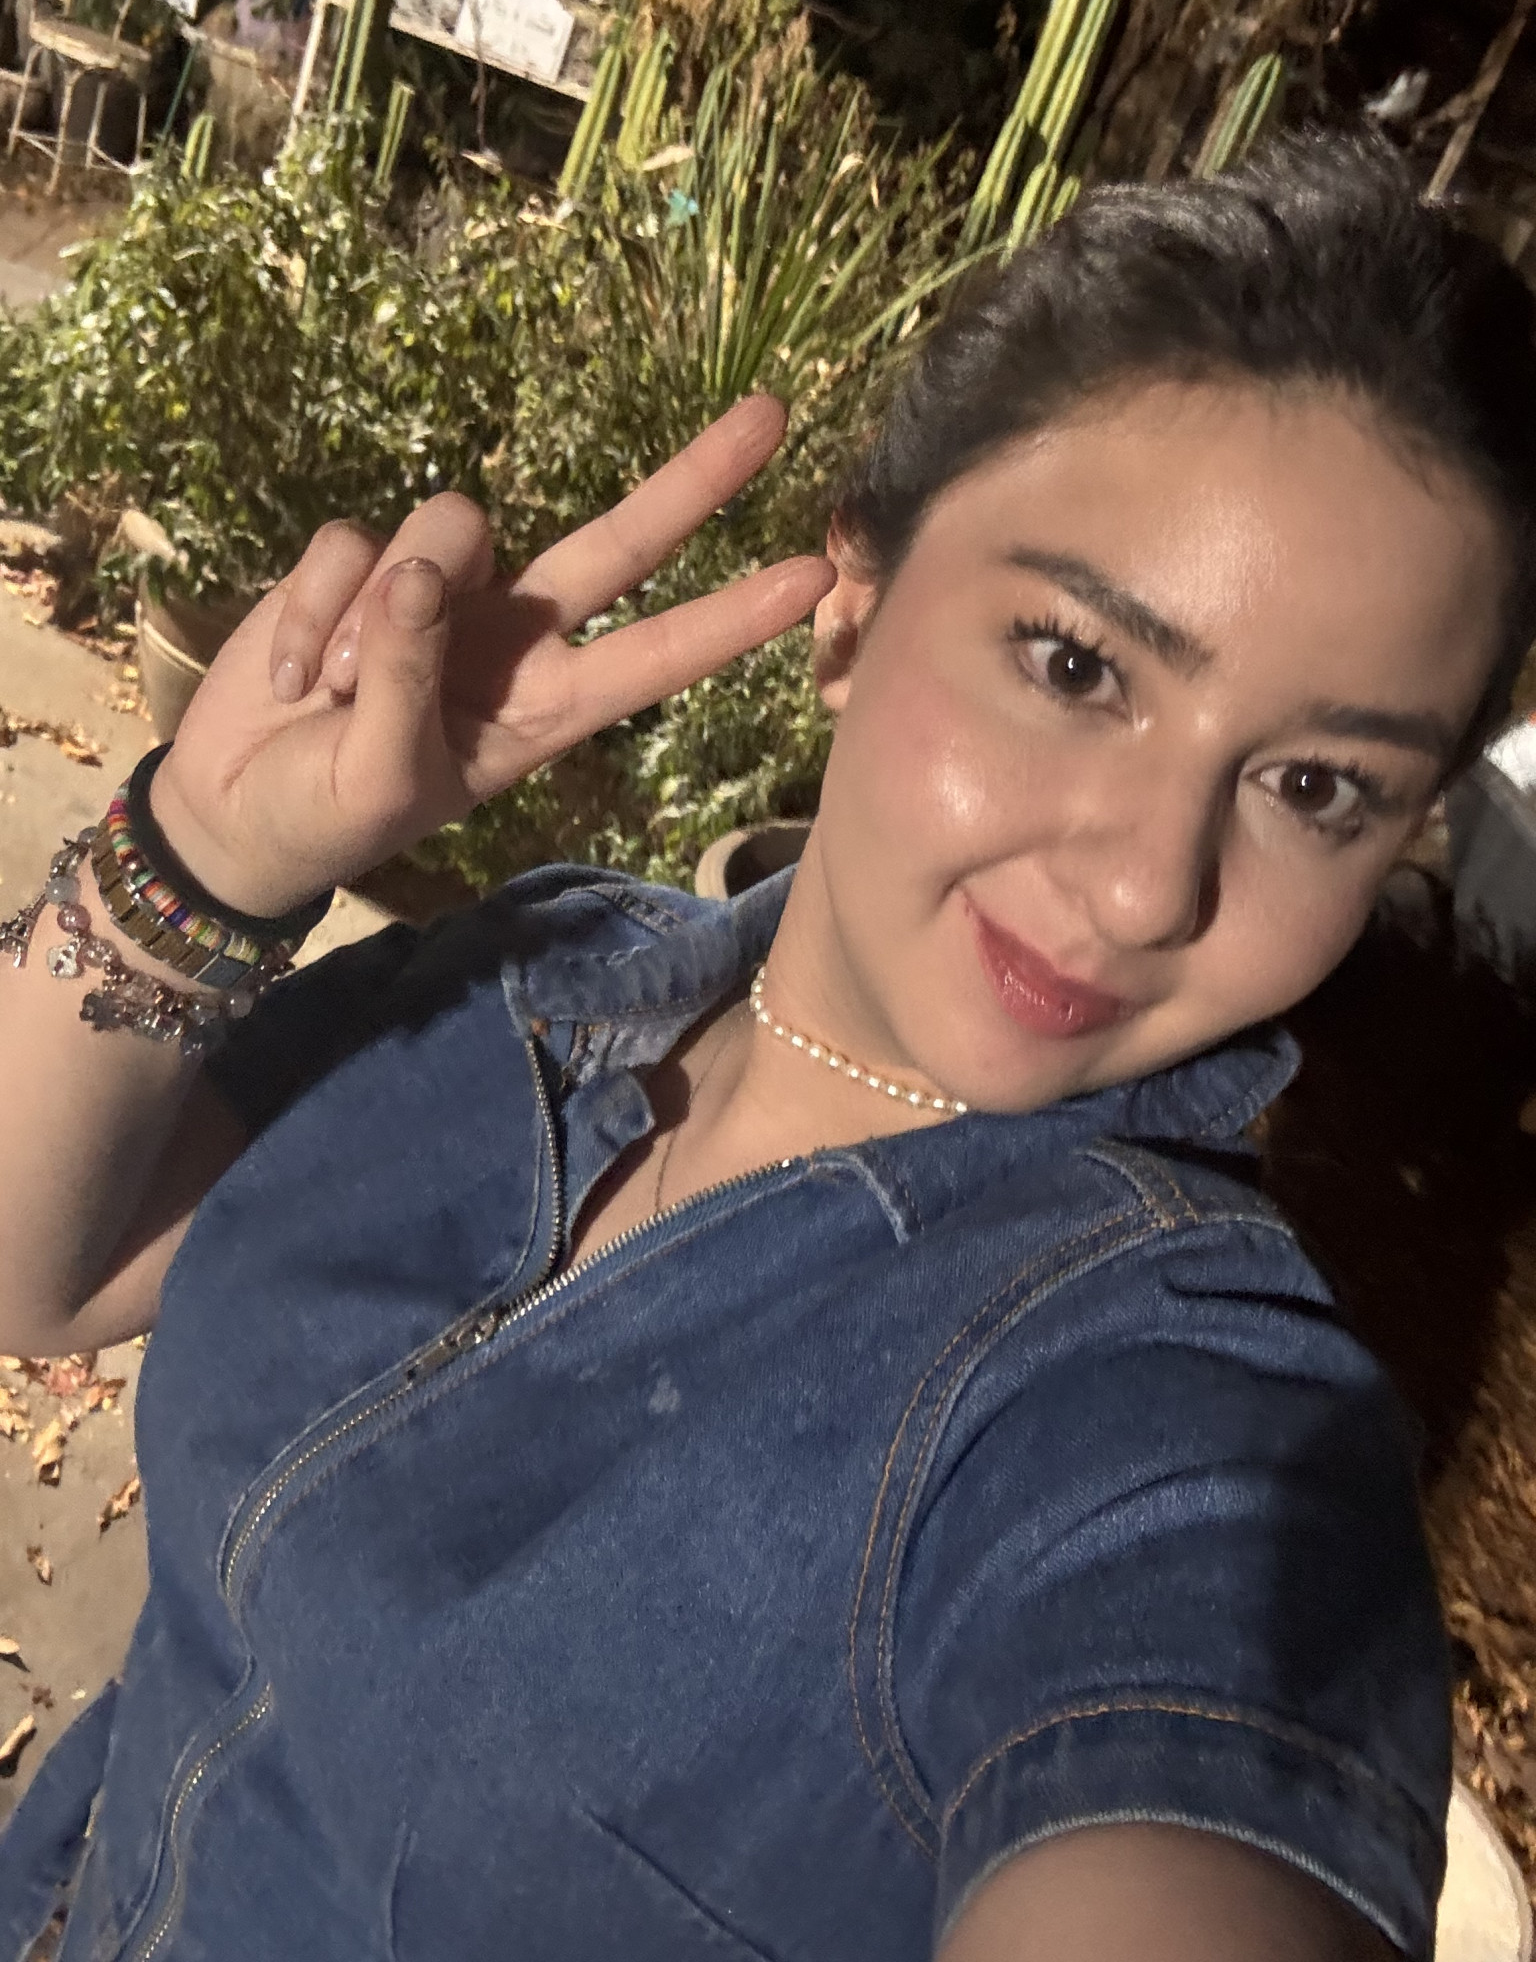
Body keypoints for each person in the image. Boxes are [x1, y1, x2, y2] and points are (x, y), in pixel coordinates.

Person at [0, 128, 1530, 1962]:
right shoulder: (540, 970)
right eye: (1076, 667)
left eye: (1315, 787)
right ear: (854, 608)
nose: (1144, 888)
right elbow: (40, 1263)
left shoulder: (1163, 1417)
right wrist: (207, 854)